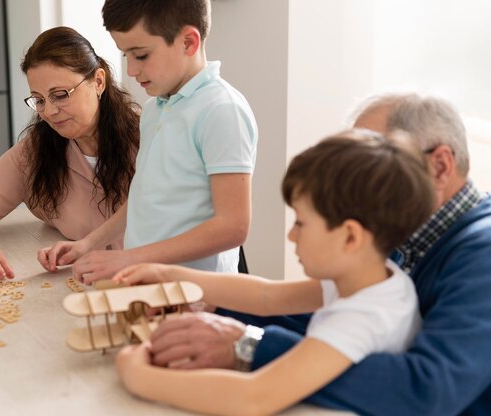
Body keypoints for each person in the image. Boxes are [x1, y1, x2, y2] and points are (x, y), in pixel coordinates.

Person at [147, 94, 491, 416]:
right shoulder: (405, 235)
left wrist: (250, 346)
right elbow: (336, 318)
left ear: (441, 166)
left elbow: (427, 390)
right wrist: (215, 307)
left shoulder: (482, 253)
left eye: (372, 163)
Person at [111, 129, 435, 415]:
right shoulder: (372, 277)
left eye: (302, 223)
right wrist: (169, 275)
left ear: (351, 236)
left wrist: (139, 377)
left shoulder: (364, 316)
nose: (292, 235)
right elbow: (266, 296)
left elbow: (255, 398)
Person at [39, 0, 258, 282]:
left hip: (196, 295)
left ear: (188, 42)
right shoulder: (156, 109)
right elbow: (143, 198)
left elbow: (233, 228)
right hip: (148, 282)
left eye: (140, 55)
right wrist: (88, 243)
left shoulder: (221, 110)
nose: (130, 70)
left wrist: (127, 258)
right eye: (125, 55)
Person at [0, 26, 139, 279]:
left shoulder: (150, 136)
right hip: (74, 287)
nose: (49, 111)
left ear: (98, 81)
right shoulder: (34, 153)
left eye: (60, 95)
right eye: (39, 100)